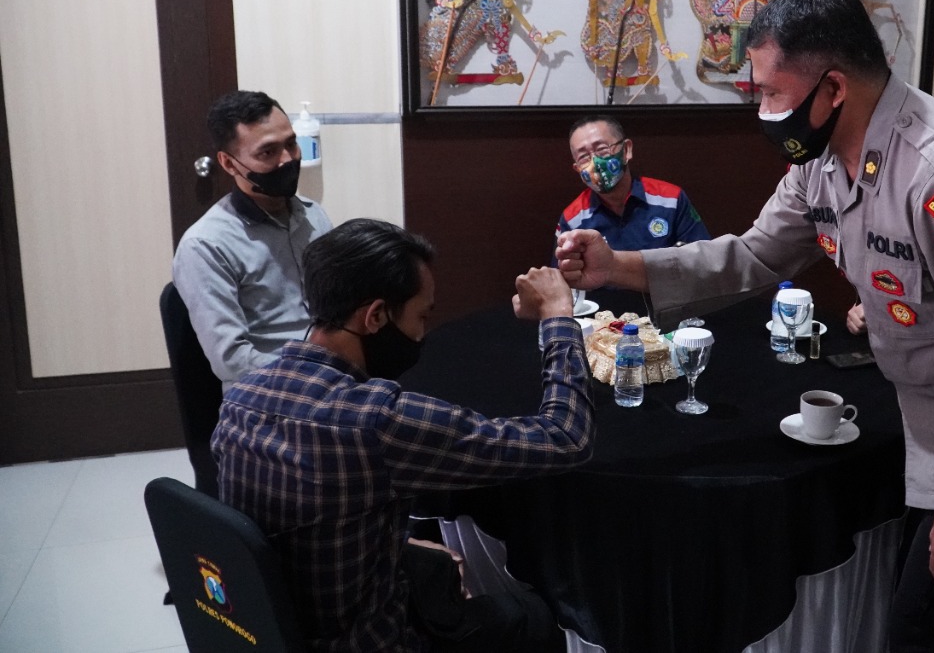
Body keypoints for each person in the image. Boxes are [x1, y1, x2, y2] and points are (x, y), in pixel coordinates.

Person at [556, 0, 934, 652]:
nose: (762, 109)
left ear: (833, 88)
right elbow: (755, 254)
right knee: (921, 613)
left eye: (771, 91)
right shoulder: (820, 161)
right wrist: (618, 266)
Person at [212, 218, 594, 652]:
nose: (422, 333)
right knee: (529, 616)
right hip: (374, 642)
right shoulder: (375, 422)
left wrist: (403, 544)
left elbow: (289, 528)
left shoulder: (240, 399)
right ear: (376, 316)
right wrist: (558, 317)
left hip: (285, 627)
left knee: (434, 568)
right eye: (420, 317)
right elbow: (566, 438)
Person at [172, 91, 332, 391]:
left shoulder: (314, 215)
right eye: (267, 152)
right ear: (229, 164)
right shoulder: (205, 245)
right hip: (265, 395)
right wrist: (313, 377)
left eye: (291, 144)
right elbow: (231, 360)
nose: (288, 160)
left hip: (332, 378)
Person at [556, 115, 711, 251]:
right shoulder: (572, 220)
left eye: (602, 149)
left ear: (626, 150)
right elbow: (562, 273)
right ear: (577, 169)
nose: (595, 163)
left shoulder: (671, 200)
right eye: (583, 157)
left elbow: (704, 260)